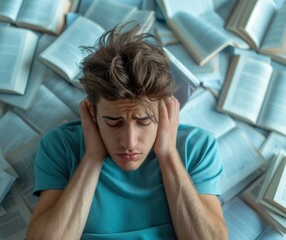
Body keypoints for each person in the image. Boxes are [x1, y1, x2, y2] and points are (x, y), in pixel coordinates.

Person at [27, 23, 228, 240]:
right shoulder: (61, 145)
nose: (129, 142)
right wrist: (93, 157)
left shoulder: (197, 146)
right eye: (114, 122)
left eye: (143, 121)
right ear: (92, 112)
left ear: (164, 111)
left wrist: (168, 154)